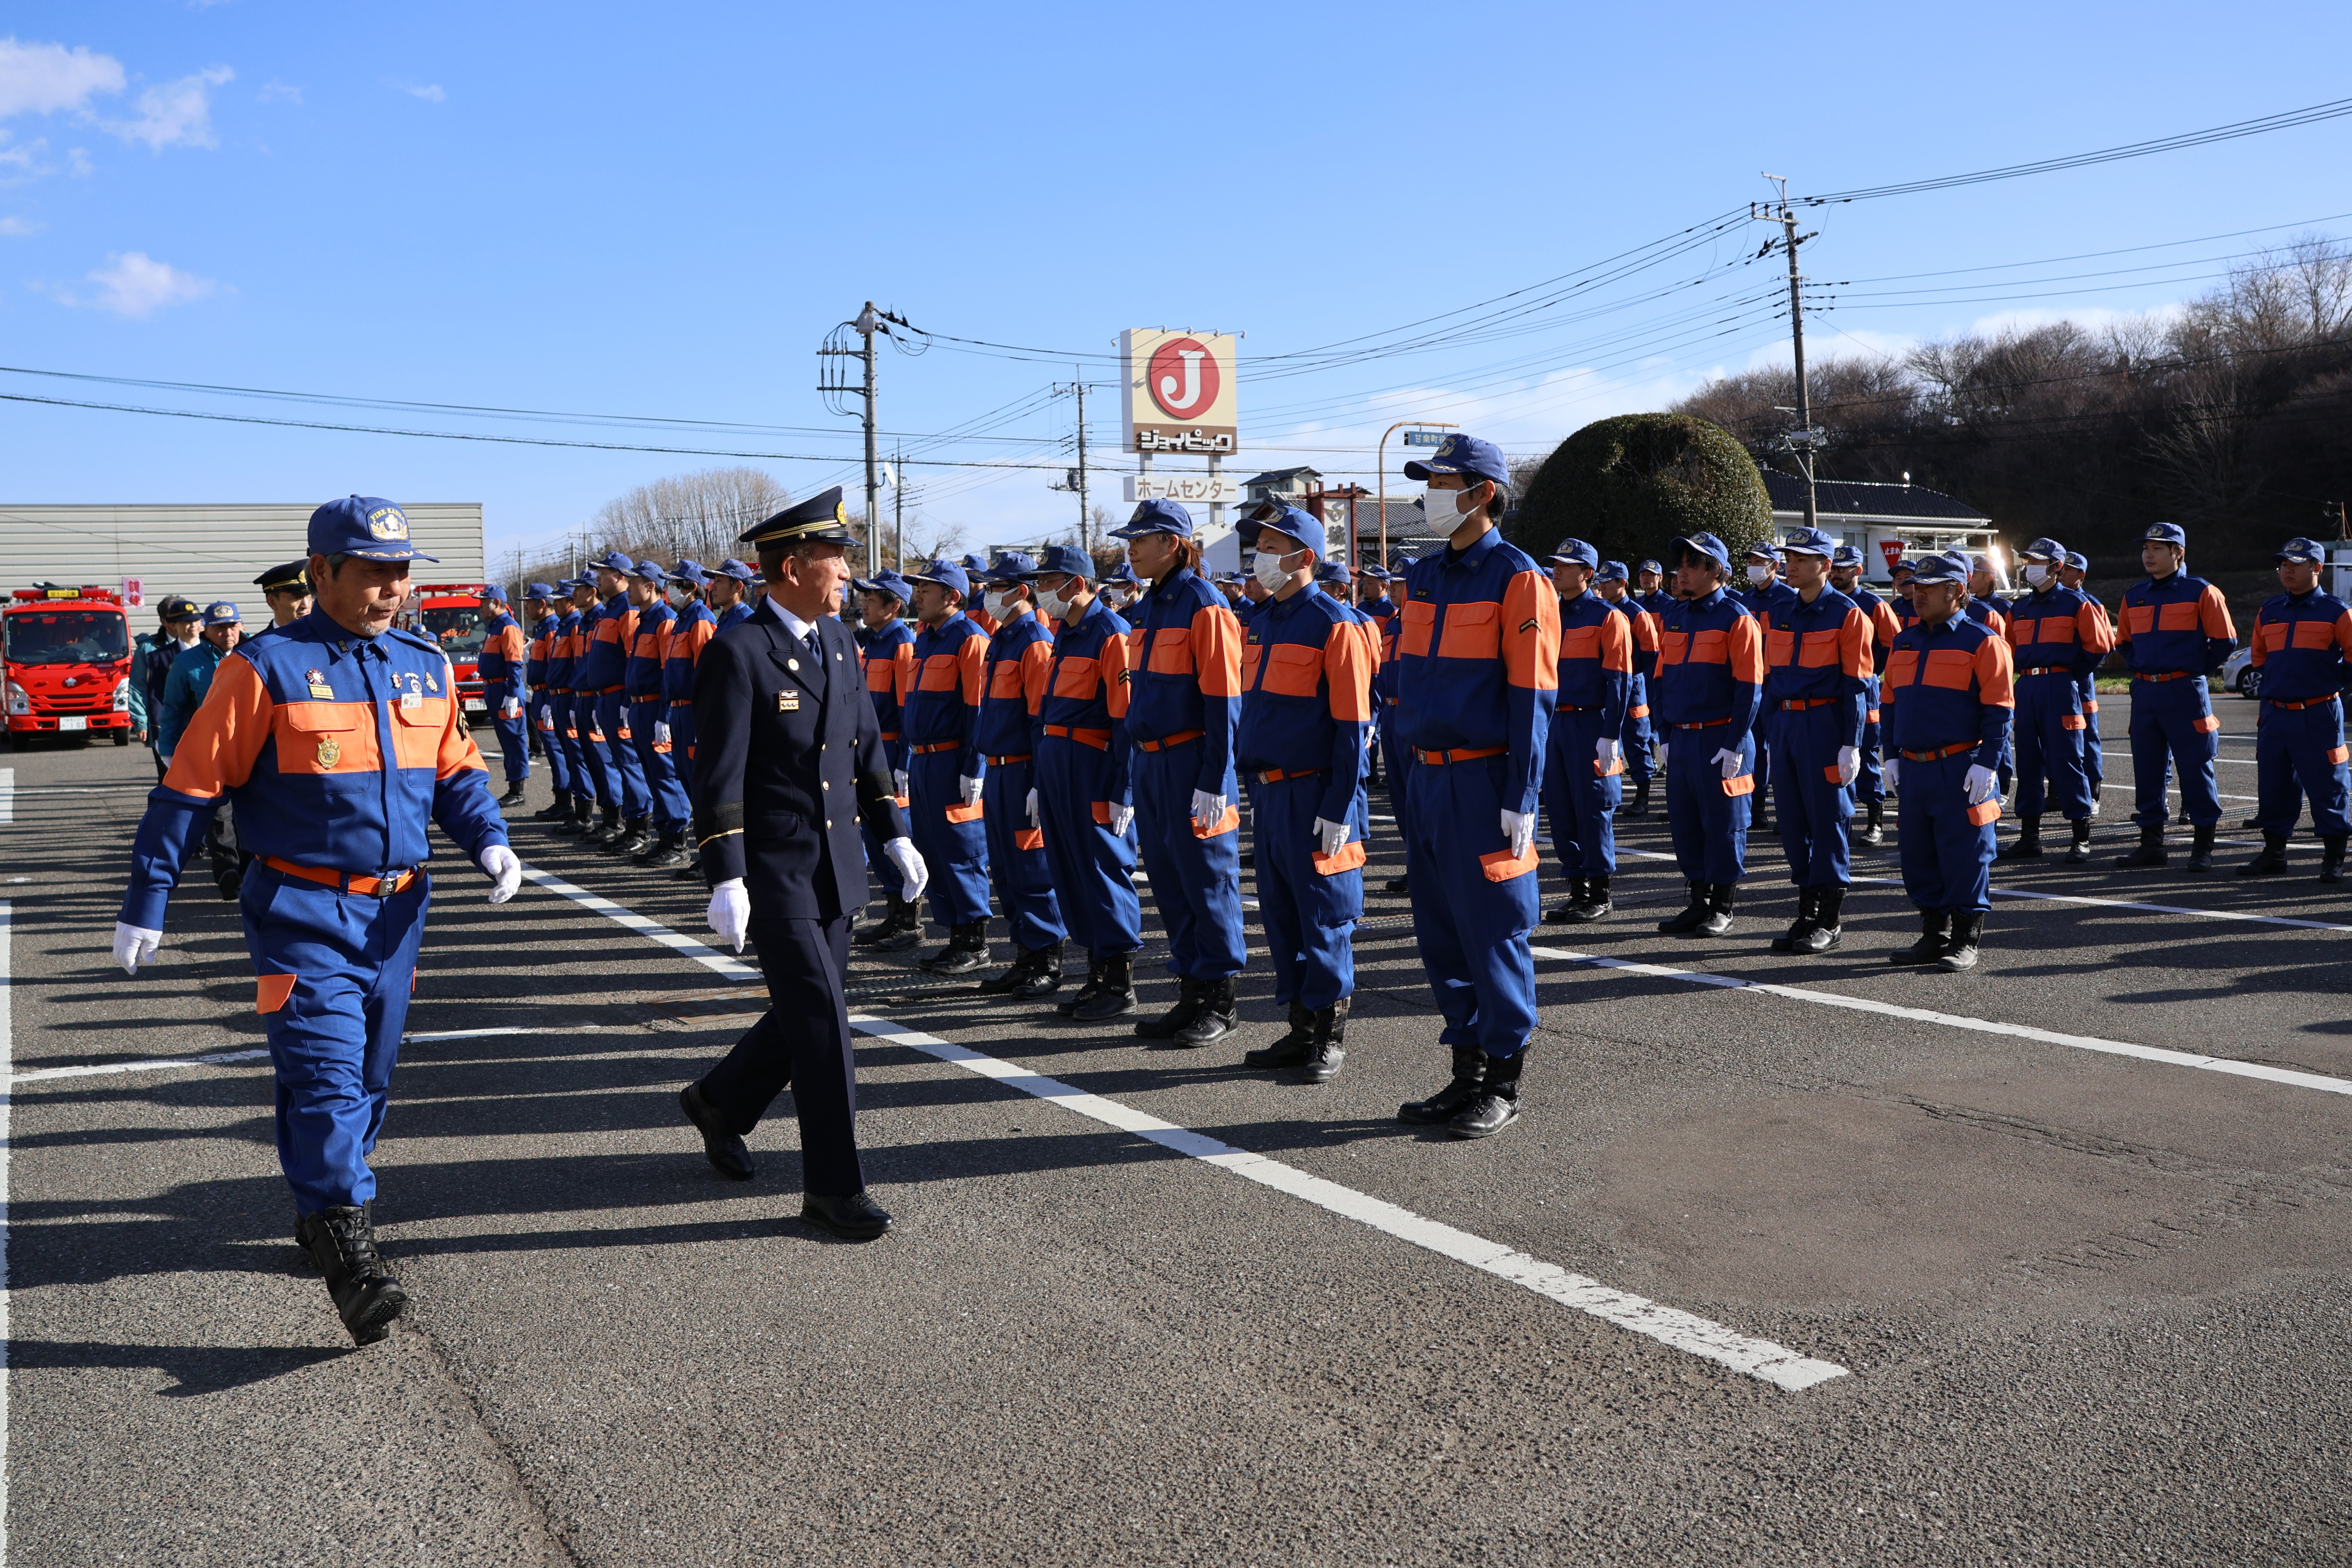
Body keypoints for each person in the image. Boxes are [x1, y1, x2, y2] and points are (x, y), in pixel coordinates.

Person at [112, 496, 521, 1343]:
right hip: (301, 908)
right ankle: (353, 1253)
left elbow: (456, 770)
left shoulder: (424, 663)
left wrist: (490, 840)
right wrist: (148, 896)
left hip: (398, 911)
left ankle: (320, 1203)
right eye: (373, 573)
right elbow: (190, 786)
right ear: (322, 572)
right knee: (329, 1072)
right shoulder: (265, 668)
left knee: (367, 1075)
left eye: (402, 573)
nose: (391, 589)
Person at [681, 487, 927, 1243]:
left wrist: (895, 834)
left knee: (801, 1016)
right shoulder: (738, 648)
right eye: (837, 558)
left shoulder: (841, 643)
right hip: (775, 870)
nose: (849, 573)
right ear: (793, 566)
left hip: (838, 866)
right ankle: (833, 1188)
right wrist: (725, 873)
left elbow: (869, 748)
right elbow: (715, 772)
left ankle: (720, 1101)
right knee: (823, 1024)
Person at [1389, 434, 1558, 1138]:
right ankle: (1464, 1073)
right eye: (1426, 481)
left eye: (1441, 481)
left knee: (1493, 934)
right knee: (1443, 935)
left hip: (1485, 779)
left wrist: (1523, 793)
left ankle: (1504, 1079)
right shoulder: (1426, 575)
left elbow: (1534, 694)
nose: (1428, 493)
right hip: (1427, 779)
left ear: (1482, 493)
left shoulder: (1519, 579)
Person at [1231, 506, 1374, 1082]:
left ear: (1305, 558)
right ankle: (1299, 1025)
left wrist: (1341, 805)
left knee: (1325, 916)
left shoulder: (1335, 623)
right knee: (1283, 915)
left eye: (1271, 545)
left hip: (1317, 794)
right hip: (1271, 796)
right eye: (1259, 544)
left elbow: (1353, 727)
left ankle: (1328, 1035)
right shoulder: (1263, 622)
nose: (1259, 555)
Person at [1112, 499, 1249, 1048]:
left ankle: (1220, 999)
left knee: (1208, 881)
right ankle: (1191, 992)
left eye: (1140, 539)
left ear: (1171, 543)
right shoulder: (1149, 607)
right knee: (1169, 881)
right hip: (1152, 760)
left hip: (1192, 761)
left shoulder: (1203, 605)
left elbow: (1223, 700)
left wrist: (1215, 776)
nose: (1131, 549)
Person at [1880, 552, 2013, 971]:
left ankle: (1965, 938)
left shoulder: (1982, 641)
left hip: (1960, 764)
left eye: (1928, 589)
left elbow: (1999, 709)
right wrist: (1890, 756)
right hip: (1915, 766)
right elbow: (1889, 704)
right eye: (1914, 588)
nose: (1917, 595)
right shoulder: (1904, 640)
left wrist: (1988, 763)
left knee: (1965, 853)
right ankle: (1933, 934)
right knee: (1918, 853)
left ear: (1957, 591)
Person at [1029, 544, 1144, 1019]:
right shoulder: (1065, 633)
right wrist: (1040, 778)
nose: (1040, 591)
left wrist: (1125, 789)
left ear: (1077, 585)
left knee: (1101, 869)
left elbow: (1126, 721)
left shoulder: (1111, 633)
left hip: (1093, 765)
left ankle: (1118, 982)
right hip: (1058, 762)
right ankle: (1097, 972)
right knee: (1071, 870)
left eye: (1048, 581)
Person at [1758, 528, 1871, 953]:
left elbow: (1855, 686)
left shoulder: (1847, 614)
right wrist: (1770, 734)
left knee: (1828, 820)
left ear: (1825, 566)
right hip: (1786, 726)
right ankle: (1805, 913)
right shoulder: (1779, 611)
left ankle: (1830, 918)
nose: (1791, 563)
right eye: (1789, 556)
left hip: (1824, 725)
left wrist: (1851, 743)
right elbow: (1771, 680)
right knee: (1792, 823)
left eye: (1802, 559)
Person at [1651, 532, 1764, 937]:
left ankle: (1723, 905)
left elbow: (1749, 688)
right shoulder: (1676, 616)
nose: (1681, 570)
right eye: (1680, 562)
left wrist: (1735, 742)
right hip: (1682, 739)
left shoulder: (1737, 618)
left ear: (1715, 570)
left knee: (1724, 824)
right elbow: (1661, 679)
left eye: (1691, 563)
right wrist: (1663, 732)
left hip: (1720, 739)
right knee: (1686, 824)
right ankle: (1698, 901)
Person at [970, 553, 1067, 996]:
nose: (988, 595)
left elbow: (1039, 720)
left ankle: (1047, 958)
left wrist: (1037, 781)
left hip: (1023, 771)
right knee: (1007, 872)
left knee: (1032, 870)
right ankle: (1025, 955)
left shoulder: (1035, 641)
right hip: (997, 770)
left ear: (1020, 591)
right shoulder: (1002, 639)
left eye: (996, 587)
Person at [2114, 522, 2237, 871]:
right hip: (2146, 692)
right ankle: (2152, 845)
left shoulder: (2202, 592)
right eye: (2145, 548)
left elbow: (2225, 641)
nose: (2148, 555)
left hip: (2185, 691)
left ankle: (2203, 847)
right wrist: (2142, 667)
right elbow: (2123, 642)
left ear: (2178, 553)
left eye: (2158, 548)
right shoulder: (2134, 595)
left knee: (2196, 768)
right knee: (2148, 768)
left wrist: (2192, 667)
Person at [898, 559, 995, 973]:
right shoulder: (926, 638)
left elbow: (977, 708)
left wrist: (975, 766)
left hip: (953, 760)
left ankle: (974, 941)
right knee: (934, 850)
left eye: (926, 589)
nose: (918, 595)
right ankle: (955, 935)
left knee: (962, 849)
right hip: (923, 761)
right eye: (918, 588)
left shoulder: (969, 639)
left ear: (952, 597)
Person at [2239, 537, 2352, 882]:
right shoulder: (2269, 610)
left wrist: (2331, 685)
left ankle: (2333, 859)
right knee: (2274, 786)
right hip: (2275, 714)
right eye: (2283, 564)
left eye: (2295, 564)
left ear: (2317, 568)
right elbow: (2259, 658)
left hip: (2318, 713)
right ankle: (2274, 854)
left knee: (2328, 785)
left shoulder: (2337, 612)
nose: (2287, 569)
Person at [1999, 538, 2114, 865]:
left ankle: (2081, 837)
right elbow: (2009, 651)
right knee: (2029, 762)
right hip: (2029, 686)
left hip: (2061, 685)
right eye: (2028, 561)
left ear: (2056, 567)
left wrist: (2070, 676)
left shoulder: (2077, 604)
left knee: (2067, 759)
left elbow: (2099, 647)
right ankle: (2029, 838)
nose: (2031, 567)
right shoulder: (2018, 608)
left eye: (2037, 562)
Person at [1539, 540, 1632, 925]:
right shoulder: (1548, 616)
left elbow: (1620, 681)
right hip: (1554, 724)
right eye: (1555, 564)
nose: (1557, 570)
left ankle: (1600, 891)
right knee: (1560, 809)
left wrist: (1610, 734)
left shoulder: (1608, 618)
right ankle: (1577, 890)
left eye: (1568, 565)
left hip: (1591, 722)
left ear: (1588, 573)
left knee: (1593, 809)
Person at [156, 600, 249, 898]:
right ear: (207, 630)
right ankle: (229, 874)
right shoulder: (187, 664)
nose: (228, 633)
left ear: (241, 626)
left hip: (252, 750)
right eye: (220, 628)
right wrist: (168, 752)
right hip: (210, 752)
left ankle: (251, 872)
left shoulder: (257, 655)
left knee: (248, 815)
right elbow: (172, 709)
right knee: (219, 816)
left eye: (232, 626)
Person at [848, 569, 921, 940]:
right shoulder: (874, 641)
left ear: (893, 606)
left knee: (894, 832)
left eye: (871, 600)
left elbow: (908, 709)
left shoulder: (901, 642)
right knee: (875, 836)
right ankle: (893, 911)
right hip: (871, 747)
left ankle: (908, 919)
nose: (864, 604)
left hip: (892, 747)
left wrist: (904, 761)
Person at [613, 560, 689, 865]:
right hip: (640, 706)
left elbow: (667, 672)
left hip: (657, 706)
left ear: (650, 586)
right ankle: (663, 836)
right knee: (650, 771)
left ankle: (678, 840)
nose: (629, 588)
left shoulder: (665, 620)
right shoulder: (644, 620)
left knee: (665, 773)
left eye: (634, 583)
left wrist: (663, 715)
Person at [1828, 546, 1900, 848]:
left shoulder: (1874, 605)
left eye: (1845, 569)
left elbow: (1896, 645)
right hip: (1832, 690)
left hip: (1865, 689)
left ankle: (1875, 820)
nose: (1837, 574)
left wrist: (1873, 670)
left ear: (1859, 571)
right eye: (1836, 568)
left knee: (1867, 752)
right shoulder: (1827, 604)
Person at [576, 551, 649, 849]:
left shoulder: (626, 611)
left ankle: (639, 828)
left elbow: (633, 656)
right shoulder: (611, 609)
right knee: (619, 761)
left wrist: (628, 700)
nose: (597, 578)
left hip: (620, 696)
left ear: (619, 576)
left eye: (603, 573)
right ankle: (624, 824)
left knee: (629, 762)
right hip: (604, 697)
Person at [1593, 560, 1659, 819]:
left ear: (1622, 583)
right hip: (1608, 686)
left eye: (1609, 582)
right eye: (1601, 582)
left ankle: (1643, 797)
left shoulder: (1637, 613)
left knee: (1637, 740)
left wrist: (1630, 671)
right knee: (1610, 741)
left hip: (1633, 688)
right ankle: (1615, 794)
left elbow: (1651, 650)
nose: (1603, 586)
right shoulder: (1601, 611)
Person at [1374, 561, 1414, 896]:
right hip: (1389, 714)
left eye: (1401, 584)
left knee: (1419, 797)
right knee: (1399, 797)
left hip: (1412, 715)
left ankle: (1429, 867)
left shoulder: (1424, 621)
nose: (1396, 589)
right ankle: (1414, 864)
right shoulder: (1392, 623)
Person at [472, 584, 530, 807]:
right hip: (495, 690)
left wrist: (513, 693)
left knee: (514, 739)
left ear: (497, 603)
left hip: (505, 690)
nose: (480, 606)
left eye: (483, 602)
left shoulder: (508, 627)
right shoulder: (494, 626)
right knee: (507, 740)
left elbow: (515, 663)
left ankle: (518, 790)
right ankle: (514, 785)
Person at [2059, 550, 2107, 809]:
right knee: (2056, 738)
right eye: (2061, 568)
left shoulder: (2090, 603)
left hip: (2081, 679)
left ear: (2081, 575)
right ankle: (2058, 791)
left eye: (2068, 569)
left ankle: (2093, 792)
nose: (2062, 573)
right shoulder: (2055, 602)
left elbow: (2103, 646)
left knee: (2087, 735)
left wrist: (2078, 674)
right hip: (2058, 681)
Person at [523, 584, 575, 824]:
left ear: (541, 604)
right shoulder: (543, 628)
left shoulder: (553, 627)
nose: (526, 607)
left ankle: (565, 802)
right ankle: (561, 800)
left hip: (551, 694)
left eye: (529, 602)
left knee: (557, 750)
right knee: (554, 752)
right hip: (542, 695)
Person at [137, 597, 203, 770]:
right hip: (176, 728)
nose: (193, 625)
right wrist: (160, 733)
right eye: (186, 622)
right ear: (173, 625)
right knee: (170, 780)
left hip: (208, 726)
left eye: (197, 620)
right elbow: (156, 697)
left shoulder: (211, 651)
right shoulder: (160, 657)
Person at [248, 561, 314, 640]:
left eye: (309, 596)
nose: (306, 605)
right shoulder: (253, 648)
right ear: (273, 603)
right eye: (297, 598)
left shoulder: (328, 639)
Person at [1965, 556, 2010, 637]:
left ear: (1988, 578)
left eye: (1973, 576)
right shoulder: (1966, 604)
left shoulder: (2003, 608)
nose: (1968, 580)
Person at [709, 558, 757, 632]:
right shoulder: (729, 618)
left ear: (738, 587)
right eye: (714, 581)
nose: (712, 587)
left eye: (719, 581)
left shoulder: (745, 623)